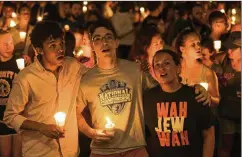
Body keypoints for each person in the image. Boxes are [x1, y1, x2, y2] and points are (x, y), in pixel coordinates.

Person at [76, 20, 210, 157]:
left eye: (108, 37)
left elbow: (166, 88)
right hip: (102, 151)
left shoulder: (135, 70)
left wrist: (197, 88)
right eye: (97, 39)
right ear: (92, 45)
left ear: (116, 42)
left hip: (135, 148)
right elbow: (76, 112)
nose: (104, 42)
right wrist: (90, 132)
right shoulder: (87, 79)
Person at [3, 21, 87, 157]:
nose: (60, 49)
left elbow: (95, 78)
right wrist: (41, 127)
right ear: (39, 49)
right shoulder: (26, 78)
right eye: (53, 45)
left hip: (70, 151)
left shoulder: (72, 66)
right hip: (40, 152)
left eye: (61, 43)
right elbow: (10, 116)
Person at [144, 49, 215, 157]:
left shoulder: (195, 95)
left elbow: (208, 133)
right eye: (157, 65)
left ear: (178, 68)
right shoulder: (147, 98)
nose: (161, 68)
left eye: (167, 63)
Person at [0, 29, 22, 157]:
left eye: (11, 42)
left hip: (17, 116)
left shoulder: (19, 63)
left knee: (17, 154)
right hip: (0, 118)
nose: (9, 46)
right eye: (5, 44)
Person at [213, 31, 241, 157]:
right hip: (227, 112)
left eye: (233, 49)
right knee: (225, 146)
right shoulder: (223, 61)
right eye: (229, 47)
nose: (229, 51)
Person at [175, 29, 220, 107]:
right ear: (182, 49)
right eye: (193, 44)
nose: (198, 47)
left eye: (198, 43)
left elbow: (217, 101)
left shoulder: (207, 72)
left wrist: (208, 97)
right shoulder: (174, 69)